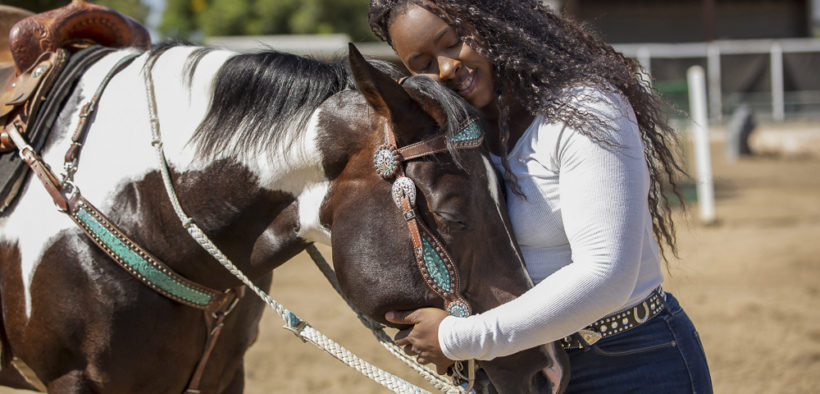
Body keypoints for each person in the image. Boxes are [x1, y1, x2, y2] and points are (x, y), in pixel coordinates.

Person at [368, 1, 713, 392]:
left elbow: (607, 274)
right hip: (519, 369)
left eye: (453, 42)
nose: (446, 68)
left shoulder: (585, 109)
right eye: (423, 64)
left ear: (492, 25)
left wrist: (458, 338)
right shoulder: (457, 139)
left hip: (629, 360)